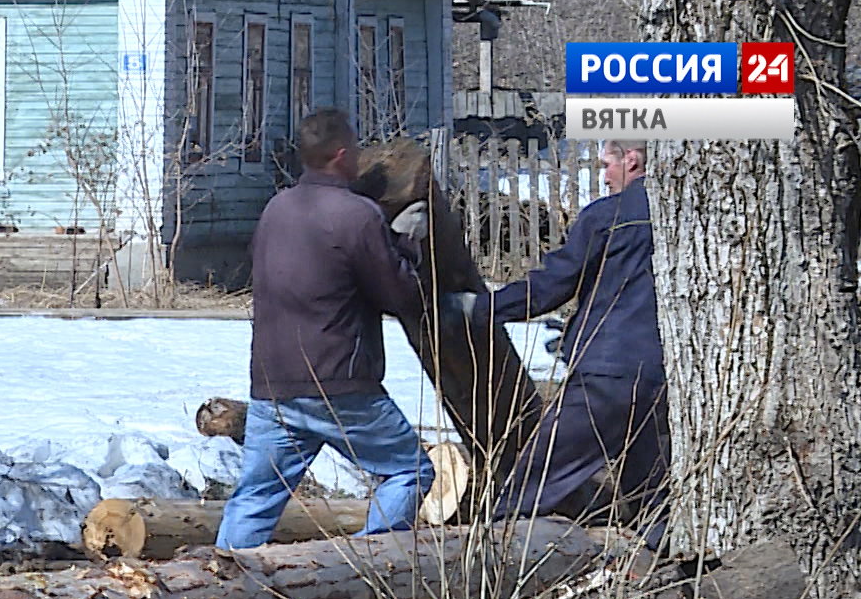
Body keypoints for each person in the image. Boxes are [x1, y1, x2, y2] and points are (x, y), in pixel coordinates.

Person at [217, 109, 437, 549]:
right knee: (409, 471)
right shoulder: (356, 216)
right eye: (354, 150)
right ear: (341, 155)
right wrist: (410, 244)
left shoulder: (276, 209)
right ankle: (369, 570)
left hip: (272, 383)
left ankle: (221, 584)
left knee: (257, 495)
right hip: (339, 382)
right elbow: (401, 297)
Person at [462, 139, 667, 537]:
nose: (604, 176)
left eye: (607, 164)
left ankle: (484, 564)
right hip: (661, 375)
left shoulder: (610, 216)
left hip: (607, 373)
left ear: (632, 159)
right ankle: (662, 577)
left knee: (531, 484)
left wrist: (482, 309)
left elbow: (552, 285)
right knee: (651, 498)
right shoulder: (686, 214)